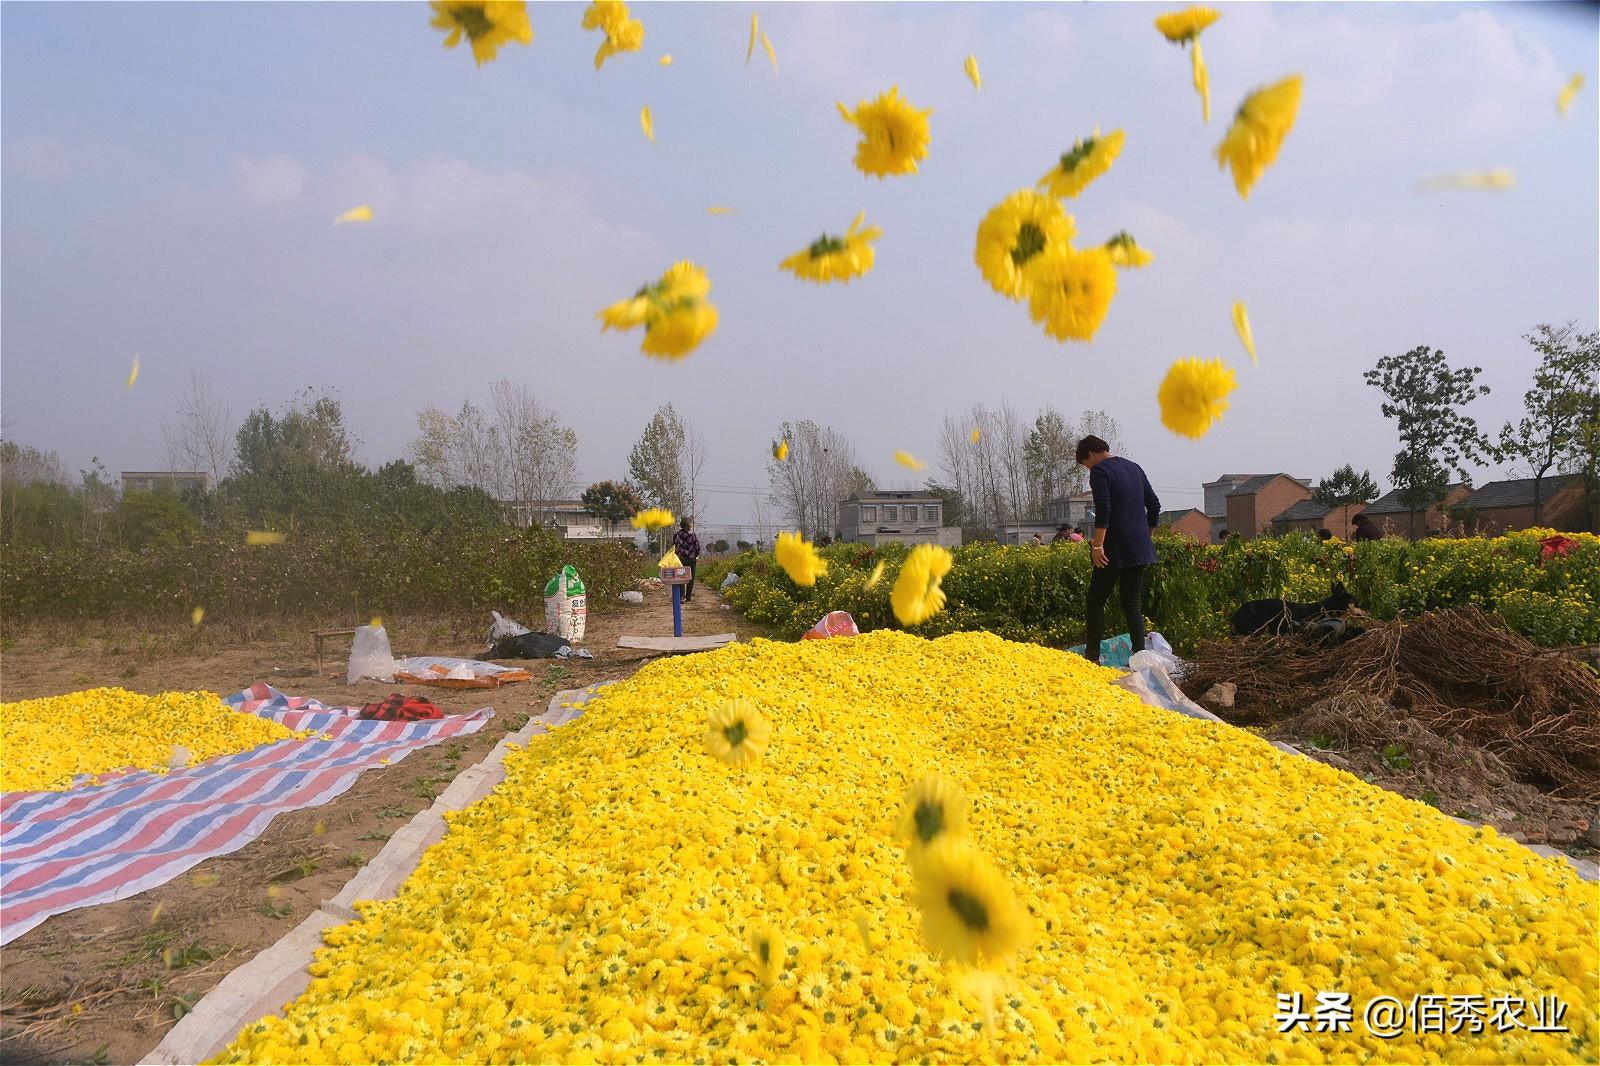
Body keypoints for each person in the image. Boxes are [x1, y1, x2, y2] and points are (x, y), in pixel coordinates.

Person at [1077, 434, 1160, 665]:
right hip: (1140, 547)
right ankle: (1140, 657)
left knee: (1095, 601)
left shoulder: (1100, 471)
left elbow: (1104, 509)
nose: (1088, 469)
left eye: (1086, 464)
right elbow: (1154, 505)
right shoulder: (1135, 468)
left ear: (1091, 455)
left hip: (1114, 546)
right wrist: (1146, 536)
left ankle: (1092, 659)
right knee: (1131, 602)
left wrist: (1098, 545)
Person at [672, 516, 702, 601]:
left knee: (681, 577)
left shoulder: (677, 535)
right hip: (691, 560)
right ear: (689, 525)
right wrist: (695, 555)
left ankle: (681, 596)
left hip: (680, 559)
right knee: (691, 578)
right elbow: (697, 548)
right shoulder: (692, 535)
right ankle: (688, 597)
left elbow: (674, 547)